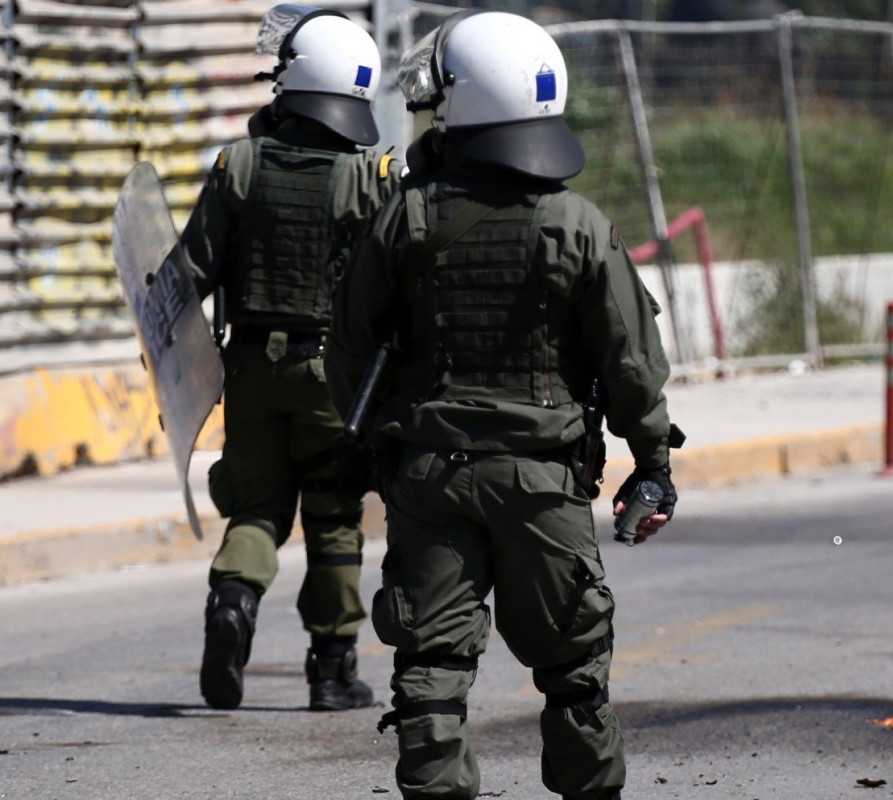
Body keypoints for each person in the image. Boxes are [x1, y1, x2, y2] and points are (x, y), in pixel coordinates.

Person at [326, 11, 681, 800]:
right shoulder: (579, 226)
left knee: (431, 670)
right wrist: (652, 464)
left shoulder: (405, 217)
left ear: (468, 101)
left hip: (430, 477)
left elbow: (349, 349)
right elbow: (631, 364)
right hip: (543, 483)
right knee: (575, 669)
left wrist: (375, 443)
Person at [170, 4, 401, 712]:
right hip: (333, 379)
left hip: (251, 372)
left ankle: (232, 602)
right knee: (332, 518)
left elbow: (186, 277)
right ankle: (332, 673)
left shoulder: (237, 165)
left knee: (257, 508)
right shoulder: (370, 178)